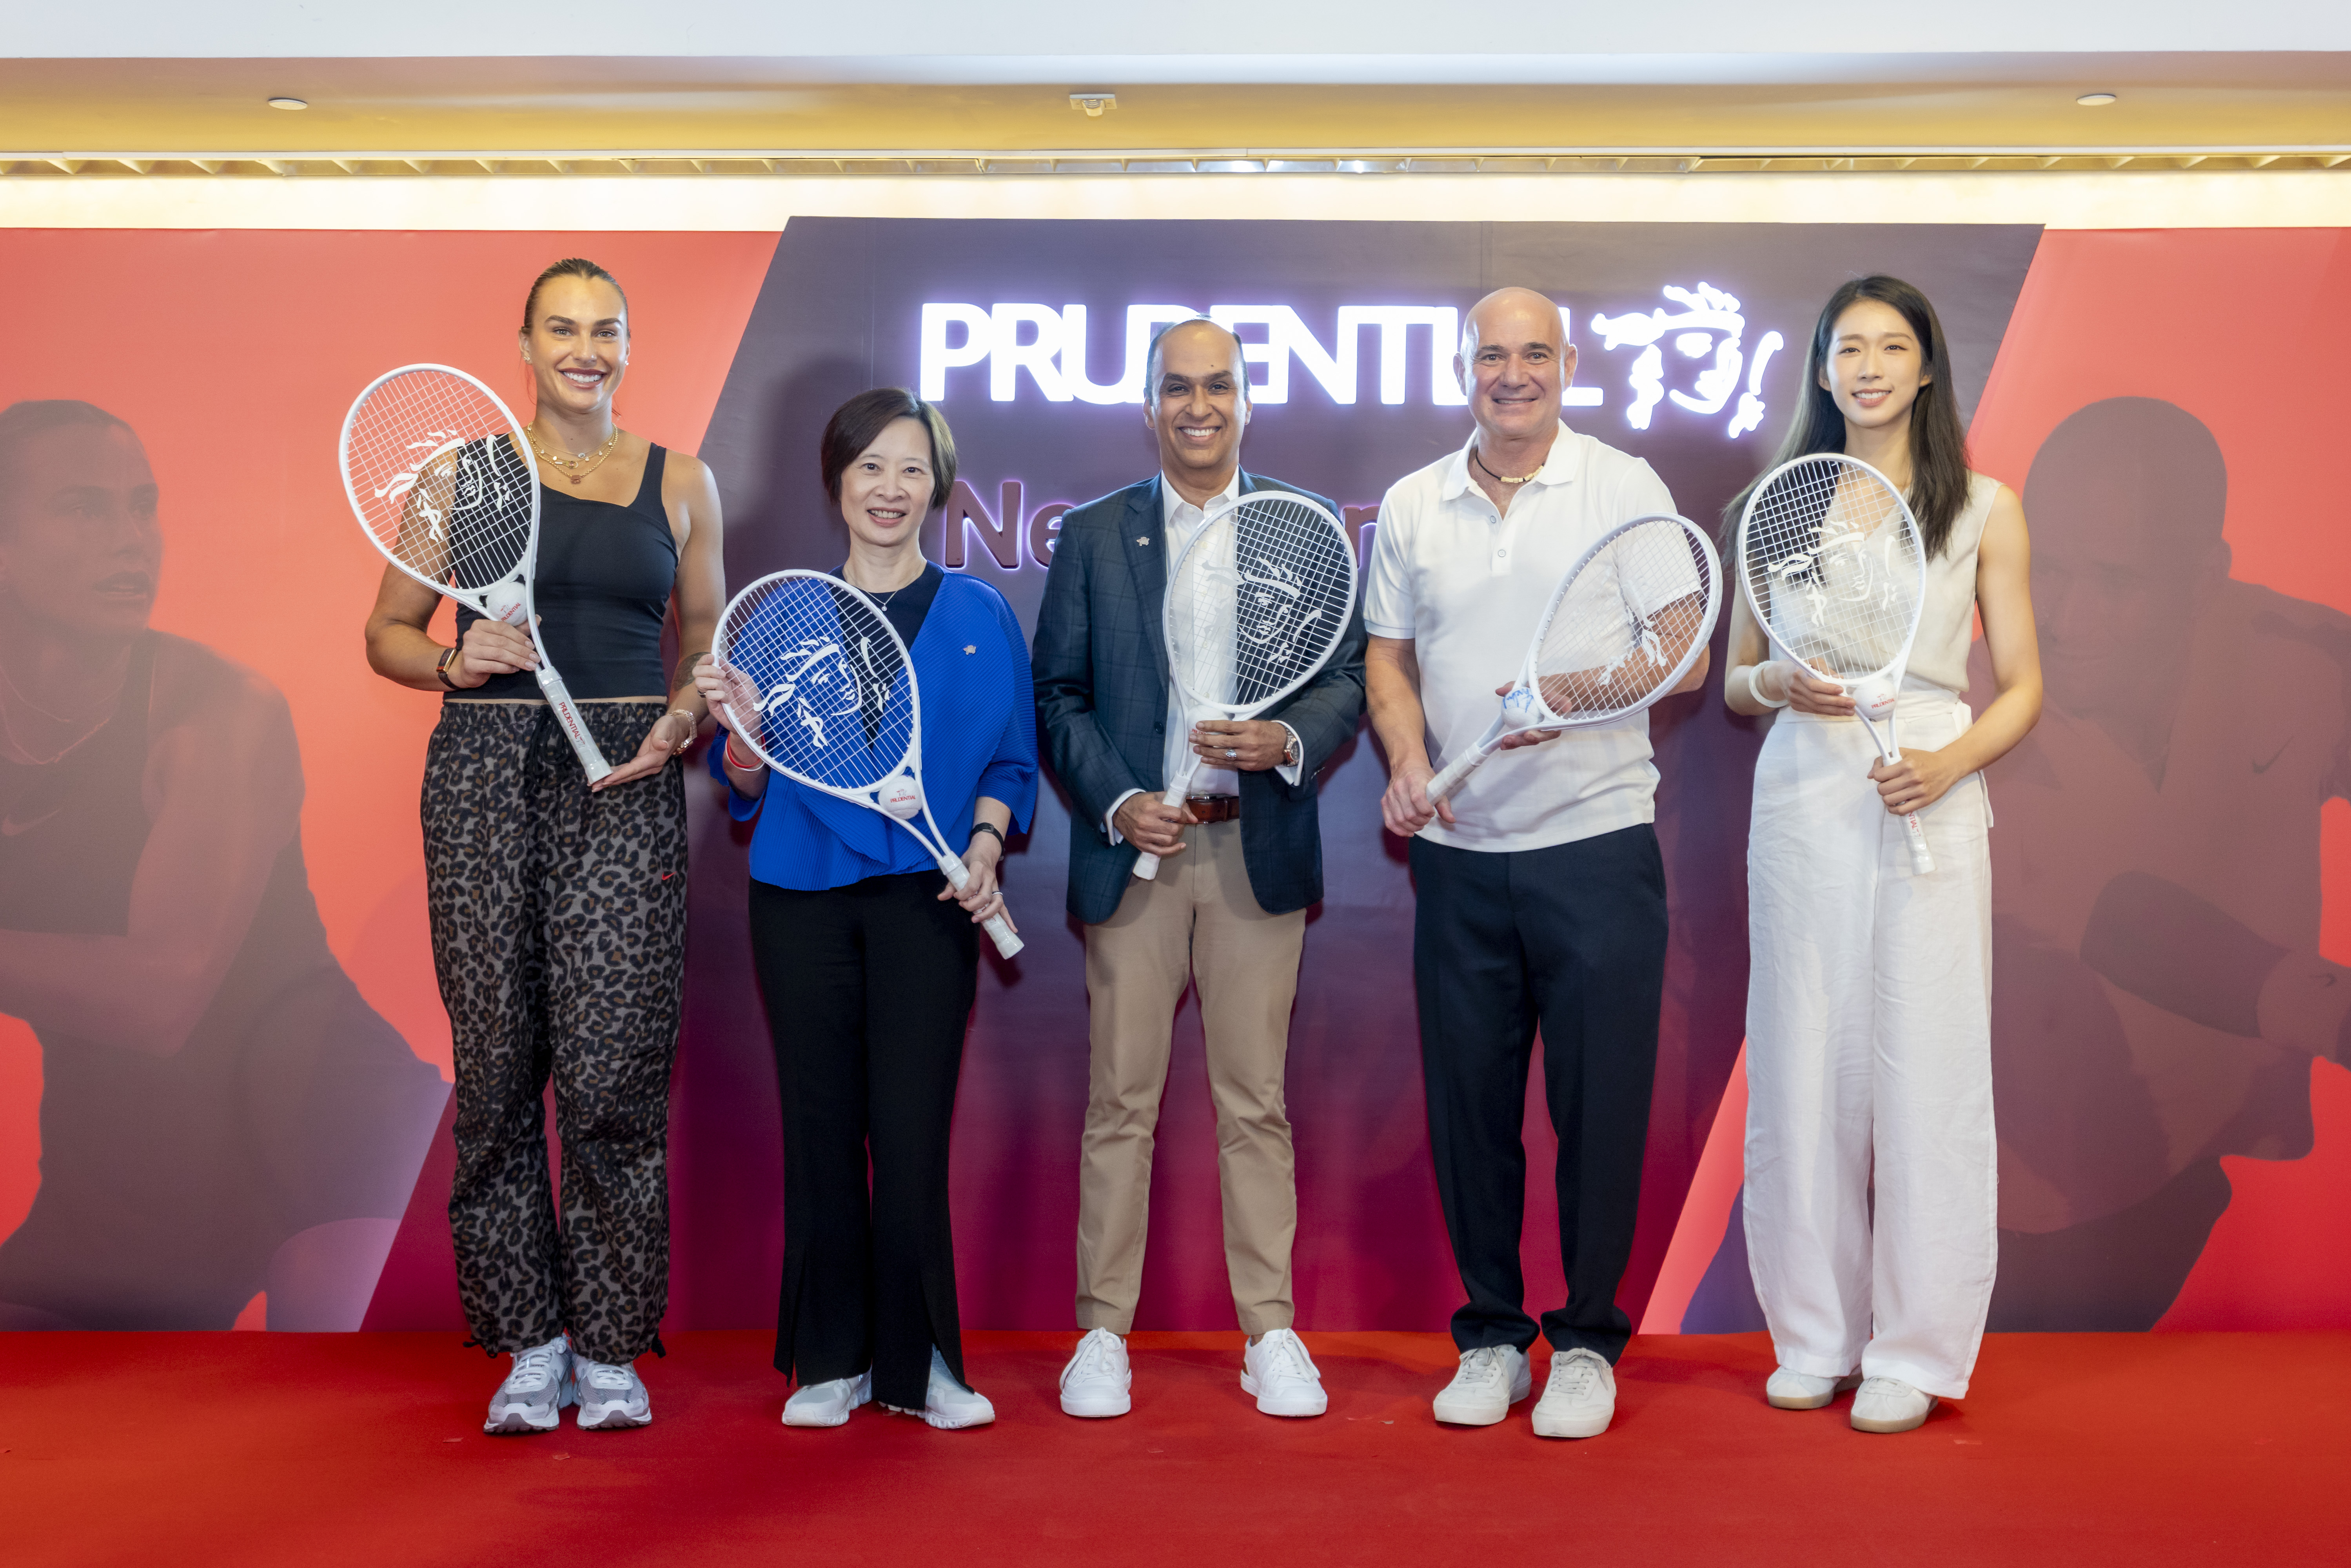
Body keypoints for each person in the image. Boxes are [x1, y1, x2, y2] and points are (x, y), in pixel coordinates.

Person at [362, 258, 726, 1434]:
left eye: (605, 330)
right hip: (481, 772)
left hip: (621, 777)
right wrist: (451, 661)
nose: (586, 348)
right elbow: (385, 632)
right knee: (500, 1073)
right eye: (561, 329)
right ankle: (529, 1339)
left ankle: (612, 1344)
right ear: (521, 343)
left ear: (629, 344)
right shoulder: (454, 475)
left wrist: (680, 718)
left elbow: (705, 639)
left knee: (615, 1076)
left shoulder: (681, 481)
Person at [0, 399, 445, 1331]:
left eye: (141, 506)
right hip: (120, 1168)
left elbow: (161, 992)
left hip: (328, 1127)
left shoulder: (219, 710)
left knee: (327, 1444)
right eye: (84, 507)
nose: (130, 539)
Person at [1366, 286, 1706, 1441]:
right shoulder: (1416, 502)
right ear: (1465, 367)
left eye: (1532, 354)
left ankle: (1587, 1342)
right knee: (1469, 1113)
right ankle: (1493, 1336)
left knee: (1598, 1109)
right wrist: (1409, 761)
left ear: (1567, 362)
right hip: (1459, 860)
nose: (1510, 374)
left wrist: (1571, 695)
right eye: (1489, 356)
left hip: (1596, 849)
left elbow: (1682, 657)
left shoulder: (1622, 487)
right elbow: (1388, 658)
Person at [1721, 275, 2041, 1433]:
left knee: (1926, 1062)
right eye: (1845, 347)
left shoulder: (1982, 506)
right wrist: (1773, 682)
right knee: (1803, 1058)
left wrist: (1950, 764)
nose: (1865, 366)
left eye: (1889, 346)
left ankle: (1913, 1348)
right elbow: (1733, 679)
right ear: (1818, 370)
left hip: (1925, 785)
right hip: (1803, 785)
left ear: (1923, 368)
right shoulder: (1774, 502)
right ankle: (1814, 1333)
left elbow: (2022, 688)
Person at [1033, 316, 1365, 1421]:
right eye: (1176, 389)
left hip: (1252, 851)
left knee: (1252, 1104)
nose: (1198, 407)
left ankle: (1269, 1333)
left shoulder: (1301, 526)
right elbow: (1059, 696)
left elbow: (1345, 675)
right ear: (1148, 406)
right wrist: (1118, 801)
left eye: (1217, 386)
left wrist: (1286, 744)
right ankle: (1100, 1334)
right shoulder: (1092, 536)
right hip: (1139, 852)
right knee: (1118, 1102)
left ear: (1245, 400)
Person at [696, 388, 1035, 1432]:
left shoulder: (979, 613)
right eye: (869, 469)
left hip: (929, 904)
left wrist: (982, 850)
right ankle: (831, 1360)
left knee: (909, 1131)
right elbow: (745, 784)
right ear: (836, 483)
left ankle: (923, 1359)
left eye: (911, 469)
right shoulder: (783, 610)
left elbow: (1012, 765)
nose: (890, 489)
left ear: (937, 485)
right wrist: (743, 743)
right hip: (798, 899)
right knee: (822, 1128)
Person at [1973, 397, 2349, 1329]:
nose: (2062, 616)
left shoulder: (2295, 659)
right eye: (2046, 568)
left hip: (2169, 1179)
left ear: (2202, 579)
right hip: (1980, 1205)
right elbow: (2123, 919)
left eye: (2115, 580)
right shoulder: (1963, 716)